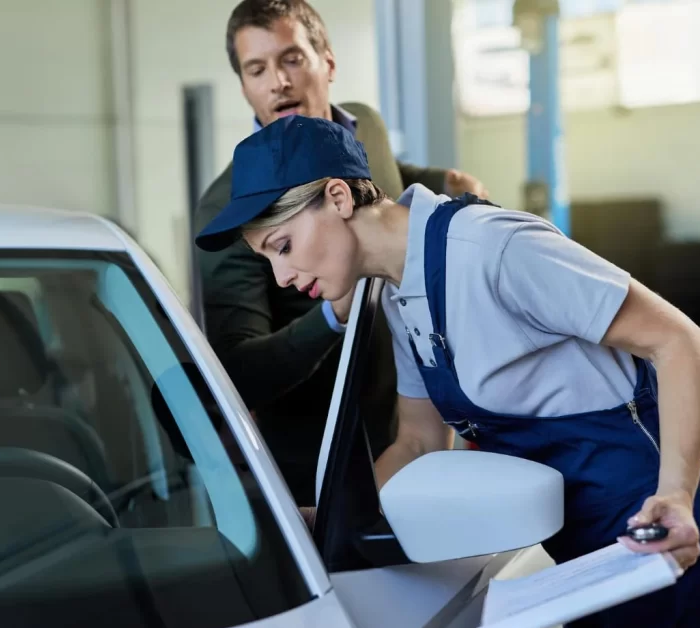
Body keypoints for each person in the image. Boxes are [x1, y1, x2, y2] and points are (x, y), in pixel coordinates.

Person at [194, 114, 700, 628]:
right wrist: (334, 520)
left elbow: (681, 343)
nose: (282, 276)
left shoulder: (493, 249)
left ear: (338, 196)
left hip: (668, 536)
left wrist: (676, 496)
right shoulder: (397, 295)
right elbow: (418, 442)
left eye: (283, 246)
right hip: (595, 561)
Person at [194, 0, 488, 506]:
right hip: (324, 465)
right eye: (256, 69)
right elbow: (239, 372)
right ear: (244, 87)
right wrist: (334, 315)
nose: (278, 83)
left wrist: (444, 182)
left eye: (291, 59)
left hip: (417, 419)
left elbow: (386, 178)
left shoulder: (365, 127)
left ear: (327, 62)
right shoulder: (228, 210)